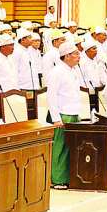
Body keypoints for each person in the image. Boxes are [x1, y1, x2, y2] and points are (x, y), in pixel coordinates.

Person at [46, 41, 83, 189]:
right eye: (76, 54)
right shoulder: (57, 72)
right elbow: (51, 96)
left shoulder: (73, 71)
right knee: (60, 149)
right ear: (66, 56)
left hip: (73, 113)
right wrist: (56, 119)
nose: (79, 56)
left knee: (71, 148)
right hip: (61, 115)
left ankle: (68, 177)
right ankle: (57, 179)